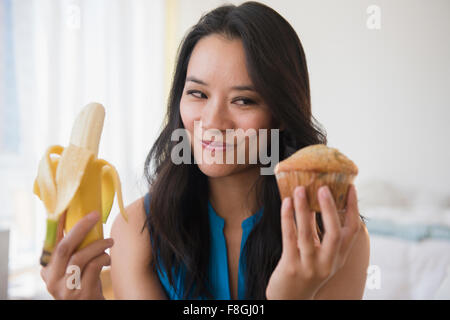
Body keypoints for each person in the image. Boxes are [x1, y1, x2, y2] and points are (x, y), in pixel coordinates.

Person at [40, 1, 370, 300]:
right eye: (198, 94)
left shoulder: (335, 237)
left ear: (282, 114)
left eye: (243, 100)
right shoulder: (136, 230)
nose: (212, 121)